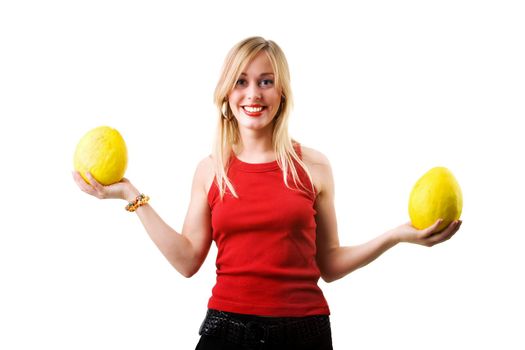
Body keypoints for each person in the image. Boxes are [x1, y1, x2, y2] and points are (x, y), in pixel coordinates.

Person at [73, 36, 462, 350]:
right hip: (226, 333)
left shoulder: (314, 166)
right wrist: (130, 195)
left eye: (265, 81)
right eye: (241, 81)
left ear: (282, 93)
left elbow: (329, 264)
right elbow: (188, 259)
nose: (253, 94)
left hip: (304, 335)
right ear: (226, 94)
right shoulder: (211, 171)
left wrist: (397, 235)